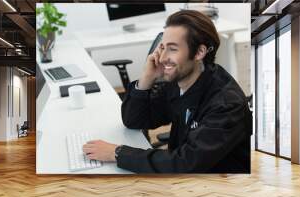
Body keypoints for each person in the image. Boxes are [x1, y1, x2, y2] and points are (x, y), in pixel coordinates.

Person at [82, 10, 252, 173]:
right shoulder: (179, 82)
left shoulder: (226, 105)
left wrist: (117, 153)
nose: (162, 58)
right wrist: (147, 78)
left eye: (172, 48)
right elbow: (134, 120)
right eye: (162, 48)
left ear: (200, 52)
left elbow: (184, 164)